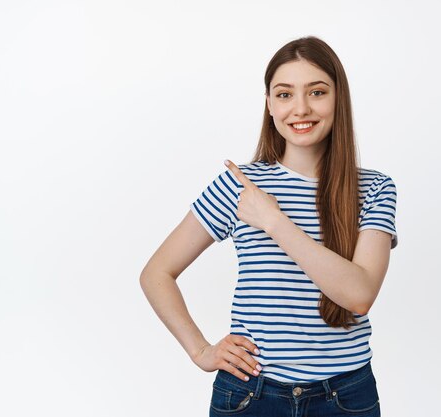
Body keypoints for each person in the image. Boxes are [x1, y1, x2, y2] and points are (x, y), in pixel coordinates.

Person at [139, 35, 397, 417]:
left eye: (317, 92)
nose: (301, 108)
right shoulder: (239, 185)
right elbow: (157, 272)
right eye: (284, 94)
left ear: (338, 98)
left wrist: (274, 221)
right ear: (269, 105)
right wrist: (201, 350)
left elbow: (359, 295)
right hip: (251, 395)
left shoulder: (374, 188)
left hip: (345, 396)